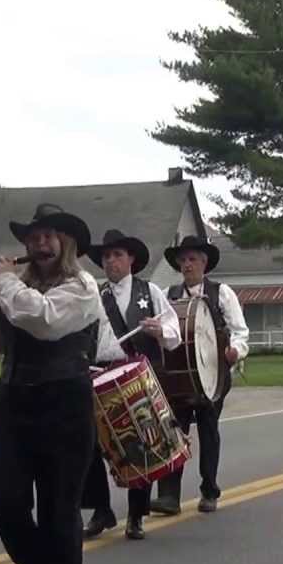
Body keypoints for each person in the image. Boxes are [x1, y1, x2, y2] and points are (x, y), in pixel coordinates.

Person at [0, 203, 111, 564]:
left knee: (57, 511)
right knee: (3, 502)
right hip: (15, 400)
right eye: (33, 238)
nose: (39, 244)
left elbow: (45, 320)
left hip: (64, 403)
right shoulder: (16, 287)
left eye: (48, 236)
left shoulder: (82, 287)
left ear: (66, 243)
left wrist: (5, 281)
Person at [81, 229, 181, 541]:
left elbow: (174, 333)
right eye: (106, 256)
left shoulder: (149, 291)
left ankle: (136, 516)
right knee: (91, 444)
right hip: (99, 375)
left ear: (131, 259)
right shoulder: (94, 295)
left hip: (137, 377)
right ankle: (101, 510)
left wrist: (159, 331)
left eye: (117, 255)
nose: (111, 261)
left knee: (141, 442)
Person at [149, 236, 249, 515]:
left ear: (204, 263)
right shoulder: (168, 295)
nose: (187, 265)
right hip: (178, 377)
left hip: (213, 375)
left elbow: (240, 331)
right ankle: (169, 497)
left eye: (192, 259)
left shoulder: (221, 293)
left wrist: (236, 351)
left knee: (208, 430)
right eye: (183, 260)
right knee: (173, 433)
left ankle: (209, 491)